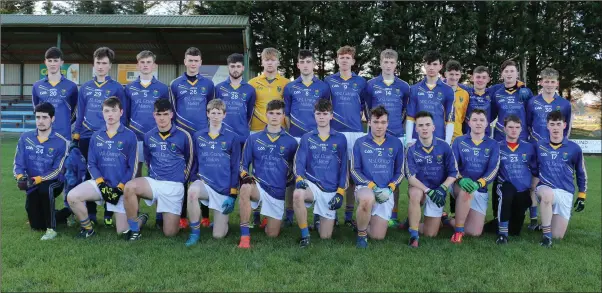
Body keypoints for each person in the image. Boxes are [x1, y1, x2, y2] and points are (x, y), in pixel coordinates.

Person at [67, 97, 145, 238]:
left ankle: (142, 218)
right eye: (106, 111)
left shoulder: (130, 135)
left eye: (114, 110)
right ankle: (88, 229)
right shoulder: (96, 136)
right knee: (72, 196)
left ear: (121, 112)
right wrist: (101, 184)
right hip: (100, 185)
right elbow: (92, 164)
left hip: (119, 187)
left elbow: (132, 168)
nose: (110, 114)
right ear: (102, 113)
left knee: (122, 231)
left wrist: (120, 187)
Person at [122, 98, 193, 240]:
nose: (162, 118)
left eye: (165, 114)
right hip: (154, 183)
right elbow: (148, 159)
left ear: (171, 115)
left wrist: (181, 180)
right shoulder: (148, 136)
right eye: (158, 114)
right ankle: (135, 228)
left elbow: (190, 160)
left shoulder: (184, 135)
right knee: (130, 187)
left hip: (174, 186)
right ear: (154, 115)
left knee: (170, 233)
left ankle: (146, 218)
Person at [72, 47, 126, 227]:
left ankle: (110, 210)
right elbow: (80, 114)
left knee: (110, 172)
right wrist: (76, 135)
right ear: (93, 64)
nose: (101, 66)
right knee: (89, 173)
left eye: (104, 63)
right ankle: (92, 213)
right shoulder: (85, 87)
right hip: (88, 136)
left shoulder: (117, 87)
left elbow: (122, 114)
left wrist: (120, 135)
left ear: (110, 66)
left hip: (110, 136)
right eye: (98, 63)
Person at [237, 100, 298, 248]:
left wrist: (285, 183)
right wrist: (246, 177)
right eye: (271, 113)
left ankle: (266, 218)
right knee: (245, 188)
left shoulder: (291, 142)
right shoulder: (253, 138)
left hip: (277, 192)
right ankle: (245, 235)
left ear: (284, 116)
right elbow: (242, 165)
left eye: (278, 113)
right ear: (266, 115)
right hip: (258, 186)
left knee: (272, 234)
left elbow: (294, 170)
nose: (275, 117)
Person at [363, 49, 411, 227]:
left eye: (392, 62)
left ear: (395, 64)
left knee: (394, 175)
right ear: (380, 63)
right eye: (385, 62)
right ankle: (372, 210)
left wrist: (397, 125)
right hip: (375, 135)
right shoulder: (371, 84)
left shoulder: (404, 86)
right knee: (374, 171)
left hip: (396, 134)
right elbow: (368, 107)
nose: (388, 65)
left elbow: (405, 110)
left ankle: (394, 213)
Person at [169, 47, 215, 229]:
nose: (193, 63)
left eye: (196, 61)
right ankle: (181, 217)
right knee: (182, 174)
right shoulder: (175, 84)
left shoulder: (209, 85)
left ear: (200, 63)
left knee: (202, 173)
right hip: (182, 135)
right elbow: (172, 110)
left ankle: (205, 216)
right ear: (185, 61)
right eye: (190, 60)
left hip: (203, 135)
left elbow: (211, 108)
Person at [292, 99, 348, 247]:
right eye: (318, 114)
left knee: (325, 237)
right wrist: (299, 178)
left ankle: (318, 220)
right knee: (298, 194)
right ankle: (305, 235)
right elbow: (300, 162)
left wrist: (340, 192)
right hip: (312, 184)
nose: (321, 117)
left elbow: (344, 169)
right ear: (314, 116)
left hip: (330, 188)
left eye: (325, 114)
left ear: (331, 116)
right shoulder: (307, 137)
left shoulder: (341, 139)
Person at [185, 99, 241, 246]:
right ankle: (194, 233)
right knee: (192, 192)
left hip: (222, 189)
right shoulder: (198, 136)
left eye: (219, 113)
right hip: (204, 183)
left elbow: (235, 167)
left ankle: (222, 225)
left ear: (224, 115)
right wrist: (193, 178)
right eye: (213, 113)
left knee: (218, 236)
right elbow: (195, 161)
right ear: (207, 114)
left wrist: (233, 194)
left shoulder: (233, 137)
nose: (216, 116)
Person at [325, 45, 368, 229]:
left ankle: (349, 214)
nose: (344, 60)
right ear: (336, 60)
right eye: (341, 57)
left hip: (356, 132)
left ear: (353, 61)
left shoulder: (361, 82)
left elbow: (366, 108)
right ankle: (331, 214)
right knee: (333, 173)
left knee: (352, 174)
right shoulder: (328, 81)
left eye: (347, 57)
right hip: (335, 132)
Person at [13, 102, 69, 240]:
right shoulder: (25, 138)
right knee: (36, 226)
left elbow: (57, 170)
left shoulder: (61, 142)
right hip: (32, 183)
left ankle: (51, 229)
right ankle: (66, 212)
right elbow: (18, 162)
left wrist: (36, 179)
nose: (40, 121)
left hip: (54, 182)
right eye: (38, 117)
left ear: (52, 119)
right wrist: (20, 177)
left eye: (44, 117)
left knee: (46, 189)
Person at [351, 106, 404, 248]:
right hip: (366, 187)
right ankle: (361, 235)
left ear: (387, 123)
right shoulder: (360, 142)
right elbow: (354, 170)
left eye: (382, 122)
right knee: (367, 199)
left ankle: (360, 222)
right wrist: (372, 186)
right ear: (369, 123)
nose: (379, 126)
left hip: (386, 191)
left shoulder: (396, 143)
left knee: (378, 237)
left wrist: (390, 188)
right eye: (375, 122)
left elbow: (400, 172)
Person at [248, 48, 291, 227]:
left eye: (273, 60)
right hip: (256, 132)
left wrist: (286, 130)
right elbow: (249, 108)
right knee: (255, 171)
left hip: (279, 133)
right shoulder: (252, 83)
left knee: (281, 172)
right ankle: (256, 212)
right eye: (267, 60)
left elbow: (287, 110)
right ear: (262, 62)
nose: (270, 63)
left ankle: (287, 212)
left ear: (278, 62)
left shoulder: (287, 83)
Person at [405, 111, 458, 247]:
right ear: (416, 129)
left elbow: (454, 173)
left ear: (433, 127)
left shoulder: (444, 147)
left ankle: (427, 220)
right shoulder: (411, 149)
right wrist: (428, 190)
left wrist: (442, 188)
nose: (424, 128)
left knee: (431, 234)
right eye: (420, 125)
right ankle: (414, 235)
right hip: (422, 190)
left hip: (438, 192)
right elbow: (411, 178)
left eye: (427, 125)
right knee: (415, 193)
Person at [535, 110, 587, 248]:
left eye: (558, 124)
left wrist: (582, 195)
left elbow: (581, 173)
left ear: (564, 125)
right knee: (546, 195)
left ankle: (546, 224)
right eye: (552, 124)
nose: (555, 128)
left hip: (565, 192)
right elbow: (533, 169)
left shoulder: (574, 148)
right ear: (547, 126)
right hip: (545, 188)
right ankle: (546, 237)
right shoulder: (540, 146)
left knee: (558, 236)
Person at [450, 109, 500, 243]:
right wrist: (460, 179)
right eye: (475, 120)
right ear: (469, 122)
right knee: (466, 192)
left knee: (474, 232)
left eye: (482, 120)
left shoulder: (493, 144)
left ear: (487, 123)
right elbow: (452, 165)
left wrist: (479, 183)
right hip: (460, 185)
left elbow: (493, 169)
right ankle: (458, 232)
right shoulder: (459, 141)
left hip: (480, 188)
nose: (478, 123)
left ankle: (448, 220)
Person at [493, 114, 538, 244]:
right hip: (505, 185)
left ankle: (496, 225)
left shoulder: (528, 147)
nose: (514, 130)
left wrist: (533, 188)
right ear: (505, 129)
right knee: (507, 191)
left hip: (522, 191)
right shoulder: (497, 146)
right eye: (510, 127)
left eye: (517, 127)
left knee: (515, 231)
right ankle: (502, 234)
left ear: (521, 129)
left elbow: (535, 170)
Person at [125, 50, 169, 177]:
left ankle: (154, 197)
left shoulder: (162, 88)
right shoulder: (129, 88)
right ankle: (136, 197)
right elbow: (125, 114)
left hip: (156, 135)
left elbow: (166, 114)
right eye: (142, 62)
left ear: (154, 66)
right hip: (135, 135)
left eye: (148, 62)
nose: (145, 65)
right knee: (135, 173)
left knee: (156, 173)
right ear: (138, 65)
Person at [405, 50, 455, 145]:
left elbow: (450, 119)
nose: (431, 67)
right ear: (424, 65)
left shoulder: (448, 90)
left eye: (435, 64)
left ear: (441, 66)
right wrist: (408, 140)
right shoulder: (415, 89)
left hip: (439, 139)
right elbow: (410, 117)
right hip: (417, 139)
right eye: (428, 64)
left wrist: (447, 143)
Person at [32, 47, 78, 141]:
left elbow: (74, 111)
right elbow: (36, 109)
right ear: (45, 62)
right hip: (44, 134)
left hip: (64, 134)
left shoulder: (72, 86)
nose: (52, 64)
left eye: (55, 61)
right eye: (50, 60)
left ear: (61, 62)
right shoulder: (37, 86)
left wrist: (64, 123)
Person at [283, 48, 330, 140]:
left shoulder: (323, 87)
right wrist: (292, 131)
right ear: (298, 65)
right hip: (295, 136)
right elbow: (287, 114)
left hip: (316, 136)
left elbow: (326, 112)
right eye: (302, 62)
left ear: (314, 64)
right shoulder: (290, 87)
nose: (305, 65)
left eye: (308, 62)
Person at [214, 53, 256, 148]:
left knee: (240, 163)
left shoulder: (250, 89)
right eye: (232, 66)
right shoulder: (219, 88)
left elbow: (250, 113)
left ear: (243, 68)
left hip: (242, 135)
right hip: (223, 134)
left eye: (238, 66)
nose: (235, 69)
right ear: (228, 67)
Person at [490, 60, 533, 142]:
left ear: (517, 74)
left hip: (521, 136)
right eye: (506, 71)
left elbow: (531, 115)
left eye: (512, 71)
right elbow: (491, 115)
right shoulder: (496, 93)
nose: (509, 74)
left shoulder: (525, 92)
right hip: (501, 136)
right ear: (502, 74)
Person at [526, 67, 572, 143]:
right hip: (535, 144)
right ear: (541, 82)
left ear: (557, 83)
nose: (549, 85)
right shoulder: (532, 102)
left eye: (552, 82)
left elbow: (567, 127)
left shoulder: (565, 104)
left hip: (556, 146)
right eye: (547, 81)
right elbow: (528, 124)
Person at [443, 60, 470, 142]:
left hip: (457, 137)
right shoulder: (438, 91)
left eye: (457, 74)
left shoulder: (465, 94)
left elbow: (462, 117)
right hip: (440, 135)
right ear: (445, 74)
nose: (454, 77)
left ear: (460, 75)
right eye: (451, 74)